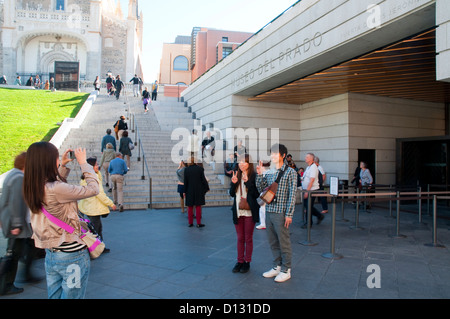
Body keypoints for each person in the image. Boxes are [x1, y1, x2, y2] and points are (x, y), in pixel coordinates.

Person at [22, 143, 99, 299]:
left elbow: (56, 189)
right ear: (48, 161)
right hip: (72, 255)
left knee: (55, 296)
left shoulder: (32, 186)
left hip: (51, 253)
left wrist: (62, 166)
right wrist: (84, 163)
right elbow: (93, 189)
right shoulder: (55, 189)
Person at [0, 153, 41, 296]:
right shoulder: (19, 178)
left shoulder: (13, 174)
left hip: (12, 221)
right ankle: (6, 285)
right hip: (16, 224)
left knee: (18, 251)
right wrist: (17, 225)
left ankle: (19, 277)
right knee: (13, 255)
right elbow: (16, 203)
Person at [256, 144, 297, 283]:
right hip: (269, 211)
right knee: (273, 241)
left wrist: (289, 214)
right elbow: (261, 190)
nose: (272, 156)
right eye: (271, 153)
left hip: (281, 212)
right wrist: (260, 174)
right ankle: (277, 266)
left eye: (275, 153)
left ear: (283, 155)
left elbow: (292, 194)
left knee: (284, 242)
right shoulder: (270, 172)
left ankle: (286, 269)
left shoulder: (290, 172)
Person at [78, 157, 116, 253]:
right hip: (93, 208)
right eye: (96, 164)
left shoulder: (87, 177)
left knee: (95, 228)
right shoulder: (93, 179)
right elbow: (100, 194)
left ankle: (98, 247)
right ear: (91, 167)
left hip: (90, 207)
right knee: (96, 229)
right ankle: (97, 248)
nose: (98, 166)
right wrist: (111, 204)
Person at [229, 154, 260, 273]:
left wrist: (247, 183)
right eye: (240, 162)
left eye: (244, 162)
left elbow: (256, 194)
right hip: (237, 211)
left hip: (250, 212)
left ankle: (247, 262)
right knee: (240, 238)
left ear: (249, 163)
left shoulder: (254, 176)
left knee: (248, 238)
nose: (241, 164)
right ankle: (239, 261)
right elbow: (232, 194)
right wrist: (233, 183)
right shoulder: (236, 174)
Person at [184, 157, 209, 227]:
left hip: (189, 190)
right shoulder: (200, 169)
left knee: (190, 207)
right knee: (198, 206)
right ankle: (198, 223)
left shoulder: (186, 170)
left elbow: (185, 182)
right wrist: (207, 188)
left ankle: (190, 223)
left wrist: (184, 191)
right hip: (199, 190)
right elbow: (203, 180)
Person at [301, 153, 324, 228]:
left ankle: (309, 223)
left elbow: (312, 180)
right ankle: (319, 215)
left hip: (311, 190)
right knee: (308, 206)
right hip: (307, 189)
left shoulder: (313, 167)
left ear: (311, 158)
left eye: (307, 157)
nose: (305, 158)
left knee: (308, 207)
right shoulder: (308, 167)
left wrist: (307, 191)